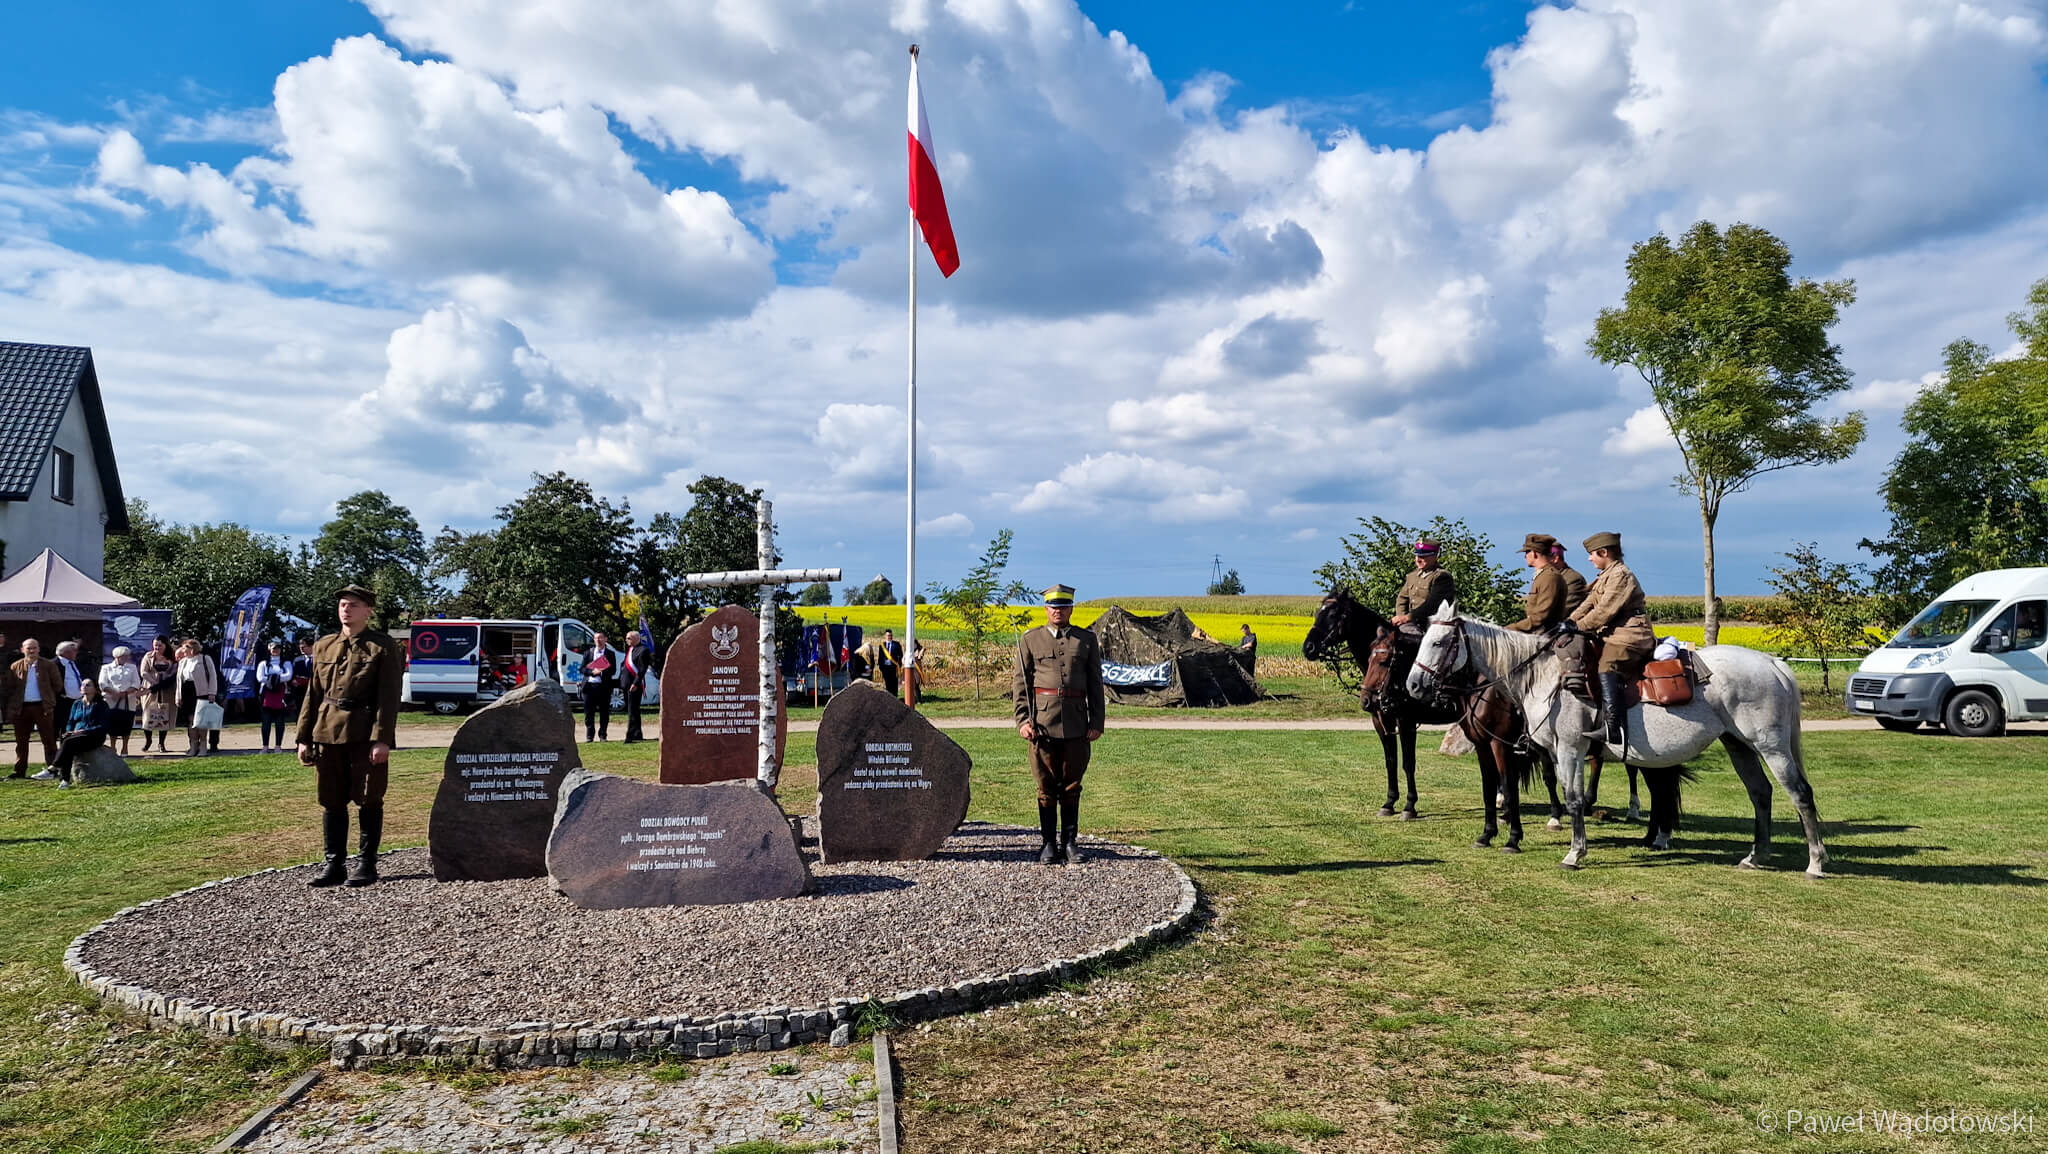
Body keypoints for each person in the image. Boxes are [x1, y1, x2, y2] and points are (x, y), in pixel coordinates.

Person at [296, 584, 404, 888]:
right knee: (331, 800)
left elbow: (389, 697)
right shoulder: (324, 645)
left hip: (363, 733)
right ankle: (334, 864)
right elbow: (312, 694)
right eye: (344, 604)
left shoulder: (382, 647)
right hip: (327, 732)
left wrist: (382, 739)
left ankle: (367, 863)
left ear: (368, 610)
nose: (347, 609)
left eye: (354, 605)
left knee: (369, 798)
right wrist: (304, 737)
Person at [1011, 584, 1106, 866]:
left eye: (1063, 606)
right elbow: (1021, 683)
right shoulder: (1030, 639)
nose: (1058, 611)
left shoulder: (1086, 640)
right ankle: (1048, 843)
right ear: (1046, 609)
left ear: (1071, 608)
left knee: (1072, 785)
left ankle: (1070, 842)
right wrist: (1022, 720)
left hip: (1077, 723)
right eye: (1053, 606)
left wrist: (1097, 721)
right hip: (1042, 723)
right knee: (1046, 786)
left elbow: (1095, 684)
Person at [1566, 531, 1657, 745]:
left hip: (1630, 636)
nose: (1589, 558)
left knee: (1607, 666)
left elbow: (1605, 611)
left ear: (1604, 552)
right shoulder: (1606, 576)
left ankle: (1613, 728)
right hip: (1613, 634)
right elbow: (1588, 604)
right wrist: (1569, 622)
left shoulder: (1621, 576)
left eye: (1592, 554)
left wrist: (1577, 626)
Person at [11, 639, 62, 779]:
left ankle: (53, 770)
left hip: (42, 707)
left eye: (34, 648)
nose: (31, 651)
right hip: (22, 708)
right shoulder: (16, 666)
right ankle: (19, 771)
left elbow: (58, 685)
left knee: (49, 740)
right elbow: (10, 688)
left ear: (39, 649)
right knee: (21, 742)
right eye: (28, 648)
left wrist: (49, 699)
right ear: (22, 649)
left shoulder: (48, 665)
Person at [1506, 533, 1576, 633]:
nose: (1525, 556)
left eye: (1526, 552)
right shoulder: (1543, 575)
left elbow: (1540, 617)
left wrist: (1510, 628)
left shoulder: (1549, 577)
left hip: (1546, 633)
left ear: (1534, 553)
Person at [49, 679, 110, 789]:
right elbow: (70, 722)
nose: (84, 687)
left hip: (93, 736)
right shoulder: (77, 703)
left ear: (95, 689)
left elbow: (103, 726)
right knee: (67, 742)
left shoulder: (101, 705)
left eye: (88, 685)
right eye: (82, 685)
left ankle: (54, 767)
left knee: (68, 743)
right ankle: (64, 781)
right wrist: (69, 731)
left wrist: (84, 731)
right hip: (76, 736)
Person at [1389, 540, 1457, 628]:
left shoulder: (1442, 577)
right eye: (1417, 555)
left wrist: (1408, 618)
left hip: (1433, 625)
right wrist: (1401, 619)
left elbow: (1432, 605)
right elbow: (1402, 599)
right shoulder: (1412, 576)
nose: (1418, 559)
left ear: (1434, 556)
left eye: (1423, 556)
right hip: (1411, 623)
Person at [174, 639, 221, 757]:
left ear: (192, 648)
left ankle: (203, 746)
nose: (182, 651)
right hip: (187, 692)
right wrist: (178, 695)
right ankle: (193, 745)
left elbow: (213, 676)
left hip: (201, 692)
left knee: (201, 721)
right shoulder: (183, 662)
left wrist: (212, 693)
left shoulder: (205, 659)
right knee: (191, 721)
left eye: (184, 648)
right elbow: (179, 680)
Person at [98, 646, 142, 757]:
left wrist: (126, 693)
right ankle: (113, 747)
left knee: (126, 723)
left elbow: (136, 683)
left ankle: (125, 747)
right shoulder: (106, 668)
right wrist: (115, 693)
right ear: (117, 657)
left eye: (128, 656)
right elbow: (102, 683)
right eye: (124, 656)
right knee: (112, 724)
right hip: (111, 700)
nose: (127, 658)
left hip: (128, 700)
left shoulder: (132, 667)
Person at [138, 636, 177, 753]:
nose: (157, 648)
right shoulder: (148, 656)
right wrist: (155, 683)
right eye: (155, 645)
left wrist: (163, 682)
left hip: (167, 690)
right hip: (150, 689)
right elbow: (143, 672)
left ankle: (161, 743)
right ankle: (148, 740)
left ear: (166, 645)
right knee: (148, 715)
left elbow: (174, 672)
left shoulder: (172, 657)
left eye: (160, 645)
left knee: (164, 715)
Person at [254, 641, 295, 752]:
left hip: (281, 695)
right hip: (266, 695)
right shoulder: (263, 664)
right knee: (266, 722)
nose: (275, 651)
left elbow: (288, 676)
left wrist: (273, 678)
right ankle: (265, 746)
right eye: (273, 648)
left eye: (277, 648)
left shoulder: (286, 663)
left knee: (279, 722)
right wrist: (274, 679)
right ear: (269, 650)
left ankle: (278, 746)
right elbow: (260, 677)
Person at [582, 632, 620, 742]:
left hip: (604, 687)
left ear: (605, 639)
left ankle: (603, 735)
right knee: (589, 713)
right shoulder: (588, 653)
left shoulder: (610, 654)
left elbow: (613, 671)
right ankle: (589, 736)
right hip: (589, 686)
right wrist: (592, 672)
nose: (598, 640)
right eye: (596, 638)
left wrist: (602, 672)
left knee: (604, 712)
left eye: (600, 638)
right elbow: (582, 669)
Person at [621, 627, 655, 743]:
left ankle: (629, 736)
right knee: (633, 710)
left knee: (632, 710)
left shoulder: (643, 650)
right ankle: (637, 733)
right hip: (626, 684)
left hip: (634, 685)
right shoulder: (630, 650)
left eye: (629, 638)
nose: (626, 640)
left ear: (636, 638)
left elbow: (642, 669)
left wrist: (636, 683)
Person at [54, 640, 89, 727]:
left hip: (78, 700)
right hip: (61, 701)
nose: (77, 653)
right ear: (66, 652)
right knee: (60, 726)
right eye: (75, 650)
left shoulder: (74, 663)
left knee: (74, 726)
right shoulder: (54, 664)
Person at [1552, 542, 1589, 616]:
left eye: (1541, 557)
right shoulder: (1545, 578)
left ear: (1555, 559)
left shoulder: (1573, 579)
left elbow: (1563, 611)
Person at [878, 629, 903, 697]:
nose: (889, 637)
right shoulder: (882, 645)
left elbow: (900, 655)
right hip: (885, 667)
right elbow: (880, 657)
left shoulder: (897, 644)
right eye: (888, 635)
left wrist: (899, 665)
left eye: (890, 635)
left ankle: (895, 696)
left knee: (894, 683)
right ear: (885, 636)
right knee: (887, 683)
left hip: (893, 667)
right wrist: (881, 667)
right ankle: (889, 697)